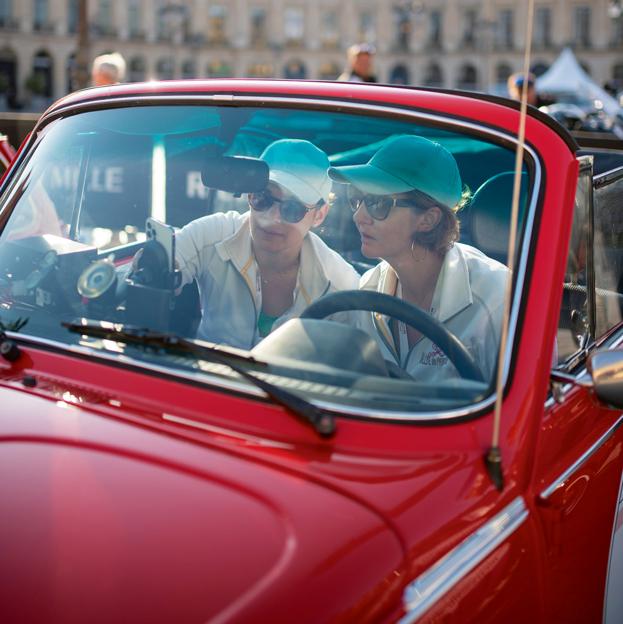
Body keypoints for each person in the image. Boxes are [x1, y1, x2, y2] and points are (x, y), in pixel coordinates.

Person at [328, 134, 509, 381]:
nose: (359, 216)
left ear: (428, 219)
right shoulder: (367, 289)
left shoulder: (498, 298)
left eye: (377, 203)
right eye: (355, 199)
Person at [174, 139, 360, 349]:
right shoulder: (211, 235)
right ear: (249, 195)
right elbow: (158, 261)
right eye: (263, 198)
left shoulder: (341, 285)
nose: (272, 219)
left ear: (319, 215)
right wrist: (158, 268)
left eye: (292, 208)